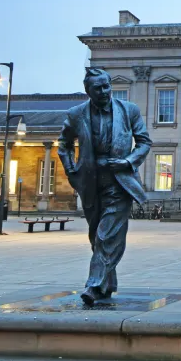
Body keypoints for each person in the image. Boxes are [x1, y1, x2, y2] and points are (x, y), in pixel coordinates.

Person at [58, 68, 152, 305]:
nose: (103, 91)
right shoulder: (76, 114)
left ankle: (93, 285)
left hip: (119, 182)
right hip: (90, 181)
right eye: (97, 88)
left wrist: (128, 161)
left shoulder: (129, 110)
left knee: (107, 234)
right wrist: (71, 170)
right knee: (95, 236)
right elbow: (64, 144)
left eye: (106, 86)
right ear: (88, 91)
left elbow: (144, 142)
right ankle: (107, 284)